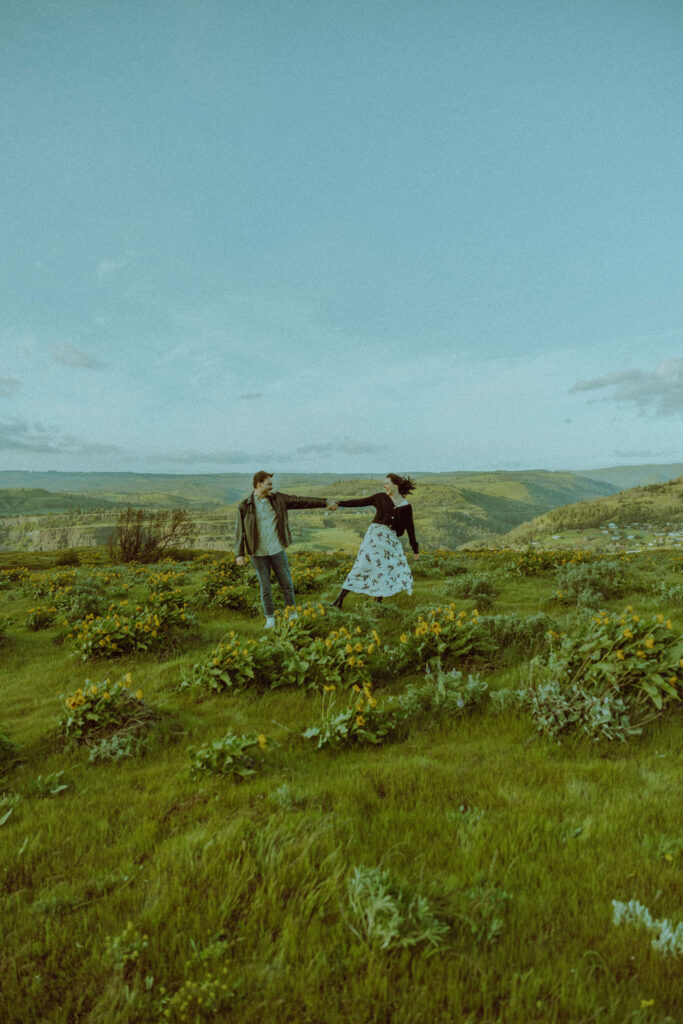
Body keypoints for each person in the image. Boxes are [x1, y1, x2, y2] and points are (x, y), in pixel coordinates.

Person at [235, 471, 333, 628]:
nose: (272, 487)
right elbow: (240, 532)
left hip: (277, 549)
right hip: (258, 553)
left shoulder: (278, 499)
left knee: (287, 584)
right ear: (259, 485)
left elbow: (301, 501)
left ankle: (292, 615)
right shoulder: (245, 505)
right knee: (265, 587)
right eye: (269, 484)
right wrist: (239, 554)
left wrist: (325, 502)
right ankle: (270, 619)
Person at [329, 473, 419, 609]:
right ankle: (339, 600)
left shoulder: (406, 506)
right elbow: (359, 502)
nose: (385, 486)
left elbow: (410, 528)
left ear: (396, 485)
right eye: (384, 484)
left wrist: (415, 549)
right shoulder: (380, 498)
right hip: (374, 538)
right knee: (361, 566)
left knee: (383, 570)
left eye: (387, 484)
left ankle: (377, 605)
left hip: (390, 541)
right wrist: (339, 503)